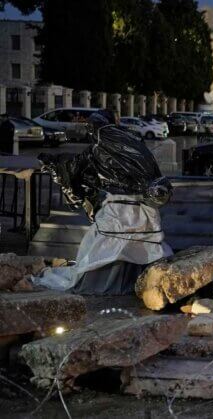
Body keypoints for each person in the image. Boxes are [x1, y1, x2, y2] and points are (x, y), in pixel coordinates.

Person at [34, 111, 173, 295]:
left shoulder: (99, 150)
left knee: (112, 243)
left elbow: (76, 169)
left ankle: (108, 282)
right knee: (132, 243)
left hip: (120, 208)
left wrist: (56, 165)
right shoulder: (131, 142)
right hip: (141, 208)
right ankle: (138, 282)